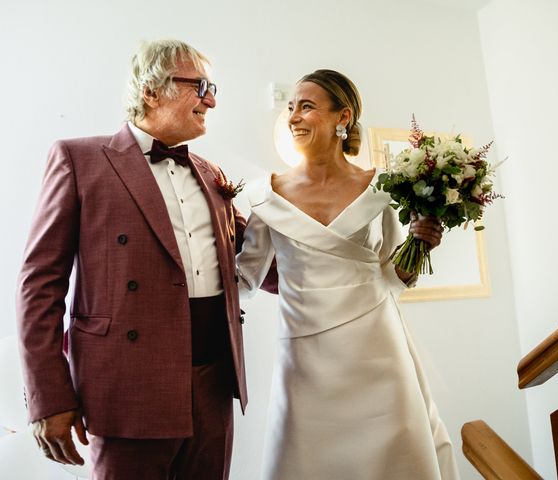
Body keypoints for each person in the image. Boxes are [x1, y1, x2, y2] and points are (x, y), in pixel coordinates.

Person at [15, 39, 273, 480]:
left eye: (214, 89)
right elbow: (39, 284)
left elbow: (265, 265)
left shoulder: (211, 174)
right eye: (200, 86)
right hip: (127, 389)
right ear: (152, 91)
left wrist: (334, 239)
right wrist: (49, 397)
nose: (211, 100)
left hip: (213, 386)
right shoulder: (79, 159)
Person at [236, 69, 461, 480]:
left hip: (377, 347)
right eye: (291, 108)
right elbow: (246, 280)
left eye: (306, 107)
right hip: (304, 359)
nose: (293, 117)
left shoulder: (383, 189)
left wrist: (421, 244)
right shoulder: (264, 195)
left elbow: (393, 278)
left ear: (343, 117)